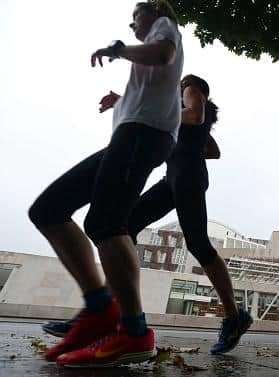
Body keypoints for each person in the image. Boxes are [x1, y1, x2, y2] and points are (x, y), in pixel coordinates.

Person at [42, 75, 253, 354]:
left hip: (187, 177)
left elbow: (195, 114)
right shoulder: (179, 109)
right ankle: (106, 311)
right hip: (173, 179)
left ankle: (234, 315)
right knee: (122, 227)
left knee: (198, 244)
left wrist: (156, 113)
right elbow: (213, 150)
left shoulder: (190, 88)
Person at [28, 0, 184, 367]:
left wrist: (117, 50)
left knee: (105, 223)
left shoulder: (164, 26)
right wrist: (121, 98)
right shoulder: (145, 71)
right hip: (128, 135)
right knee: (48, 210)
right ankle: (99, 309)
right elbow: (154, 79)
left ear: (155, 11)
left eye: (136, 19)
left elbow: (162, 54)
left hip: (144, 135)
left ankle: (133, 331)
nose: (132, 26)